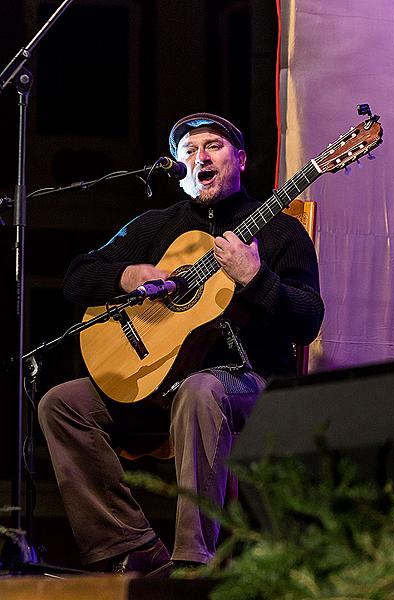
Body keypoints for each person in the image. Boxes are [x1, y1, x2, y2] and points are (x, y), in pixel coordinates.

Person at [38, 112, 324, 576]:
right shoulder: (155, 227)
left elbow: (309, 320)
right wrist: (127, 275)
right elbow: (76, 277)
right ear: (178, 168)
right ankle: (131, 547)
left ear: (241, 159)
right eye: (188, 151)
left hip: (247, 385)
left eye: (212, 146)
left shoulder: (280, 231)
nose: (200, 158)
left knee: (201, 390)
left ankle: (192, 563)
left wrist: (256, 279)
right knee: (61, 404)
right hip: (157, 383)